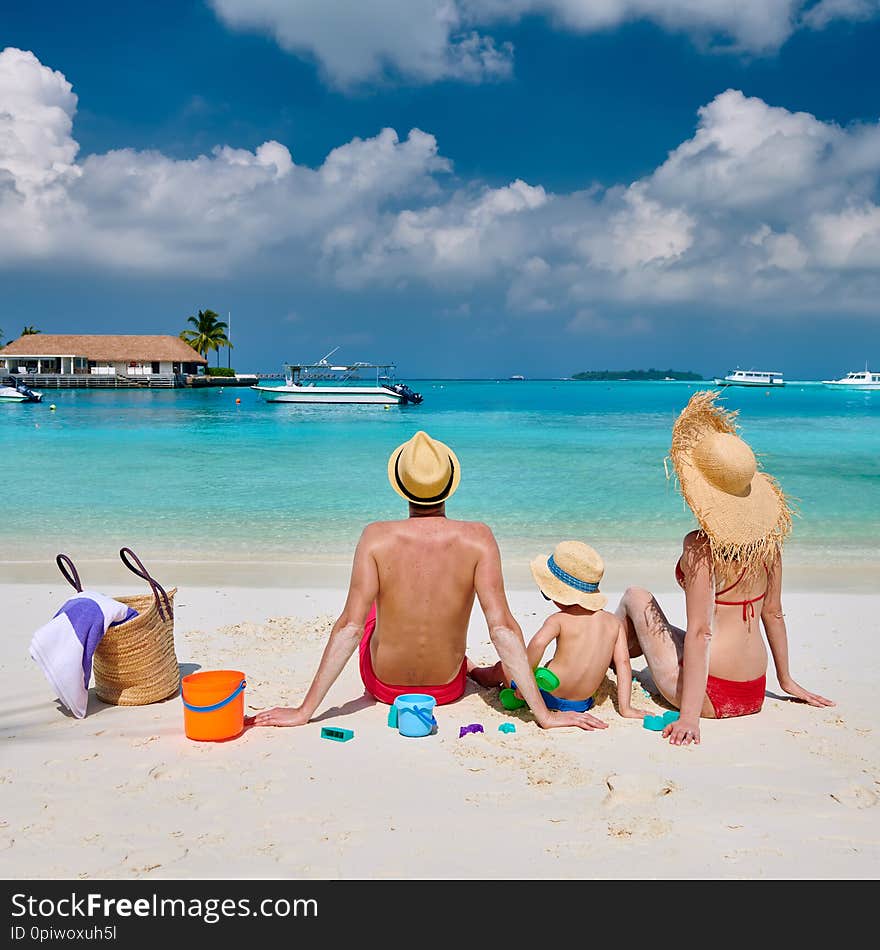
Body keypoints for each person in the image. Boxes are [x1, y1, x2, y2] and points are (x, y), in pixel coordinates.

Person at [254, 430, 606, 731]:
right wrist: (543, 715)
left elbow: (350, 628)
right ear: (450, 486)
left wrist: (304, 711)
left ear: (401, 486)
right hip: (447, 688)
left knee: (375, 604)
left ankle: (471, 667)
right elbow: (502, 630)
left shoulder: (375, 537)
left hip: (384, 686)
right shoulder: (479, 538)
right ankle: (472, 669)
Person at [615, 390, 834, 747]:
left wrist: (688, 718)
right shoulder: (768, 542)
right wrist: (787, 680)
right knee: (669, 629)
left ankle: (603, 669)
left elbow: (702, 633)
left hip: (710, 696)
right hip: (754, 689)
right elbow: (774, 614)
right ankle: (615, 661)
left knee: (635, 598)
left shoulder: (700, 546)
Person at [469, 540, 647, 721]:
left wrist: (525, 683)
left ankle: (476, 673)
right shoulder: (613, 623)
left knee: (504, 667)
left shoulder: (559, 620)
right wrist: (626, 708)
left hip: (545, 696)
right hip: (581, 703)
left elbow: (538, 643)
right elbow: (624, 663)